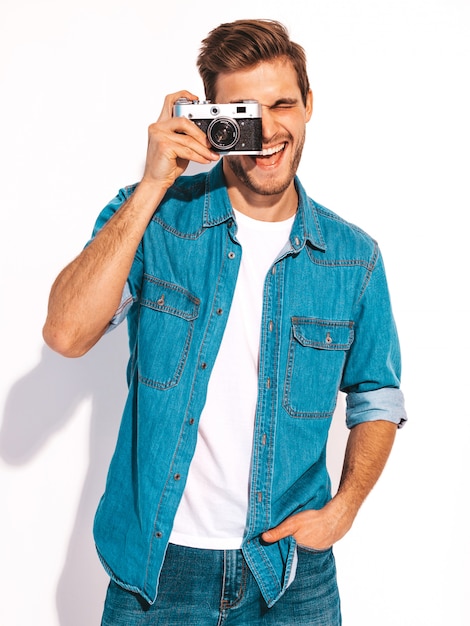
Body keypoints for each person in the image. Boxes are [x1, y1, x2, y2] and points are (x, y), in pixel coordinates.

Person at [43, 18, 407, 626]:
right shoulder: (155, 221)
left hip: (290, 577)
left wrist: (344, 509)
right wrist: (154, 184)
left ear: (309, 106)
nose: (266, 131)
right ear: (212, 118)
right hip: (157, 572)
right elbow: (65, 333)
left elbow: (378, 394)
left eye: (282, 104)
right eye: (245, 112)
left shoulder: (353, 258)